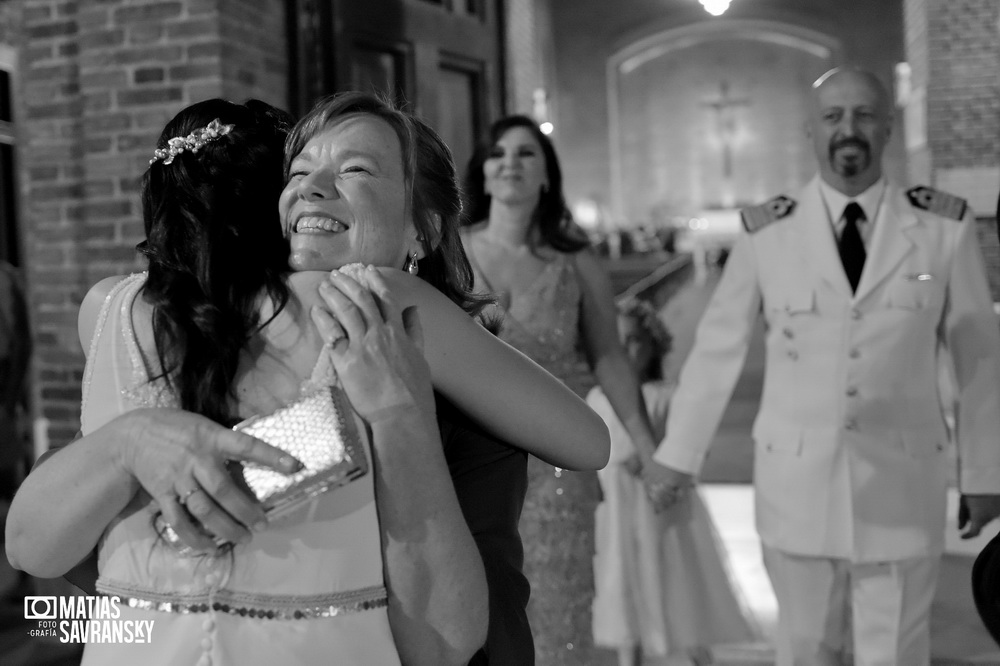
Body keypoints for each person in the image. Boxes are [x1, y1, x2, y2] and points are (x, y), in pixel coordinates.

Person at [8, 94, 608, 664]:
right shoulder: (183, 328)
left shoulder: (116, 309)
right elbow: (58, 561)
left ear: (419, 230)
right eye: (296, 171)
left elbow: (454, 628)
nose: (312, 188)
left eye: (356, 169)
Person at [643, 67, 1000, 665]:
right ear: (810, 131)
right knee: (805, 650)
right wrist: (678, 455)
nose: (848, 129)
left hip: (902, 485)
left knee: (897, 654)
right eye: (833, 117)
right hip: (797, 487)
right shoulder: (768, 232)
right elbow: (717, 349)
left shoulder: (943, 228)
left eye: (863, 115)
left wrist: (986, 471)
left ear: (887, 127)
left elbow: (979, 359)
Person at [462, 115, 659, 666]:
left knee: (558, 616)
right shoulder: (450, 252)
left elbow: (609, 357)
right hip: (473, 462)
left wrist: (645, 446)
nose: (510, 163)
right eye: (498, 153)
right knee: (475, 609)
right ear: (483, 171)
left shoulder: (574, 261)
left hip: (556, 469)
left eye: (526, 153)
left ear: (547, 174)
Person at [590, 299, 756, 666]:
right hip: (617, 510)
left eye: (635, 340)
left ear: (653, 346)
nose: (627, 350)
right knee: (623, 580)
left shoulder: (665, 396)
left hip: (660, 511)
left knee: (676, 579)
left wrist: (660, 461)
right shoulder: (598, 399)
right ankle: (628, 655)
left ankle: (698, 651)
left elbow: (688, 445)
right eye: (618, 342)